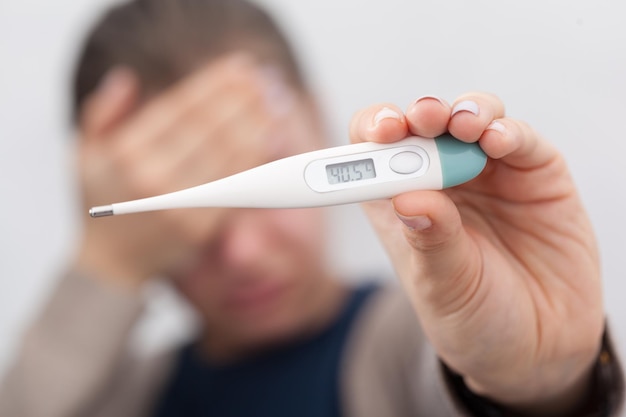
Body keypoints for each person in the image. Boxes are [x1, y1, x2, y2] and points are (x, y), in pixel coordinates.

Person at [0, 0, 623, 415]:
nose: (242, 254)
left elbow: (484, 383)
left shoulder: (417, 344)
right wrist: (101, 268)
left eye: (264, 179)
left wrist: (547, 384)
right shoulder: (118, 395)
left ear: (318, 120)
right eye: (181, 218)